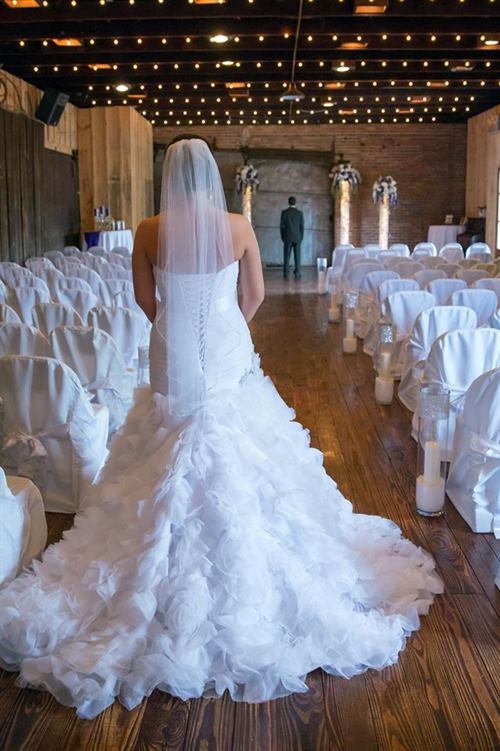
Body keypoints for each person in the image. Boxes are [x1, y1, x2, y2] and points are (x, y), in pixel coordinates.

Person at [0, 139, 442, 720]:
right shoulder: (238, 225)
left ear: (169, 177)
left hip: (172, 342)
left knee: (168, 433)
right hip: (227, 339)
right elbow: (254, 294)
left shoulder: (149, 229)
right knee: (235, 432)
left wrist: (177, 325)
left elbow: (144, 299)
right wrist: (227, 323)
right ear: (211, 176)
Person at [280, 196, 304, 279]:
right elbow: (302, 227)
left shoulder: (284, 213)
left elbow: (282, 226)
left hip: (287, 237)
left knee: (286, 255)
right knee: (297, 256)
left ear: (288, 202)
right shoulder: (299, 213)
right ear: (295, 203)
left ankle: (286, 272)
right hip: (297, 237)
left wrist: (283, 237)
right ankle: (297, 271)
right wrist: (301, 237)